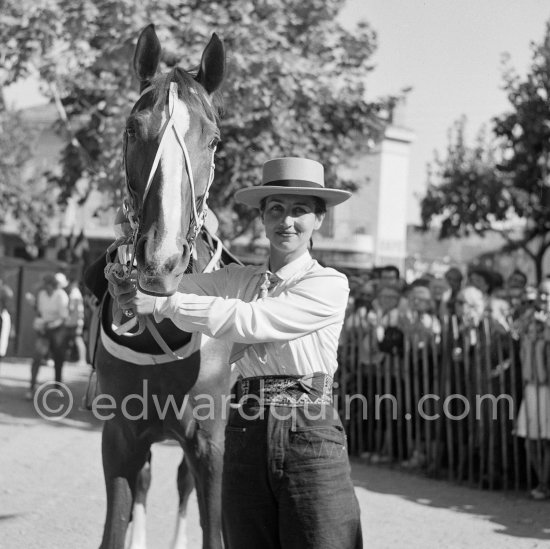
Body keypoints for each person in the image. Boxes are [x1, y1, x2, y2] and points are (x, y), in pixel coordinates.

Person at [110, 157, 363, 548]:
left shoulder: (329, 284)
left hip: (307, 425)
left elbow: (250, 321)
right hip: (244, 426)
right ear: (262, 217)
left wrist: (161, 305)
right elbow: (173, 287)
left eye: (299, 211)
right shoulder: (237, 278)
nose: (287, 221)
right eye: (276, 209)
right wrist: (134, 285)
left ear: (319, 220)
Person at [28, 272, 69, 398]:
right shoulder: (41, 295)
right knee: (37, 357)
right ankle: (32, 386)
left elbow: (63, 317)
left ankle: (57, 387)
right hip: (45, 330)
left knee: (58, 359)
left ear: (53, 285)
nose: (45, 287)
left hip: (58, 330)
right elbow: (40, 312)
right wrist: (40, 324)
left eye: (47, 285)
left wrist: (50, 325)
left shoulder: (61, 295)